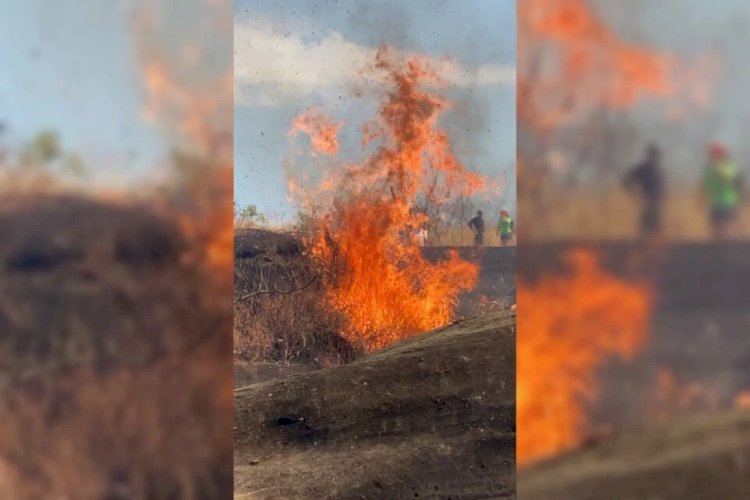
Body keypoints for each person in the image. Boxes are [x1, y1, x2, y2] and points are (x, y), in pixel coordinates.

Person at [623, 144, 665, 238]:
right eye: (653, 155)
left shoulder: (657, 170)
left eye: (656, 155)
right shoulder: (643, 169)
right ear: (649, 156)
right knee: (645, 229)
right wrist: (635, 194)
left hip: (656, 204)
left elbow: (661, 187)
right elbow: (626, 180)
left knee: (656, 230)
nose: (655, 158)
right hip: (647, 203)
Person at [703, 142, 742, 239]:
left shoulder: (728, 166)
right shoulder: (709, 168)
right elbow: (705, 184)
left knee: (727, 227)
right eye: (712, 153)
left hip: (727, 201)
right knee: (715, 228)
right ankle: (717, 249)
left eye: (716, 153)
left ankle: (729, 249)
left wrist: (719, 168)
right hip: (715, 203)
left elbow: (733, 180)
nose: (712, 156)